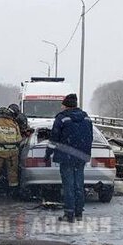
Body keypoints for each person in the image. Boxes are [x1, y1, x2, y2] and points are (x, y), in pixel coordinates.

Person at [46, 94, 93, 223]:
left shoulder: (61, 119)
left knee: (68, 186)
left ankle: (69, 214)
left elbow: (54, 138)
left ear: (65, 105)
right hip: (80, 156)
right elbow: (90, 138)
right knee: (79, 184)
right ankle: (79, 213)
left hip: (66, 156)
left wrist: (47, 153)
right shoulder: (87, 118)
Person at [0, 107, 23, 196]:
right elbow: (19, 139)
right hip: (12, 152)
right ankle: (13, 192)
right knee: (12, 173)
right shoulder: (14, 123)